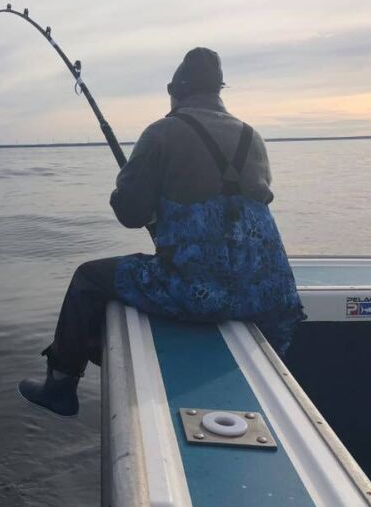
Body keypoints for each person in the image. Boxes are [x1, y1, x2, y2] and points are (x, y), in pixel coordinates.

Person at [18, 48, 302, 416]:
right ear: (218, 91)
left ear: (175, 90)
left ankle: (60, 385)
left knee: (88, 279)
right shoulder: (254, 137)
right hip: (269, 297)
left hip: (200, 294)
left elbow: (130, 213)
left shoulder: (161, 133)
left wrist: (131, 190)